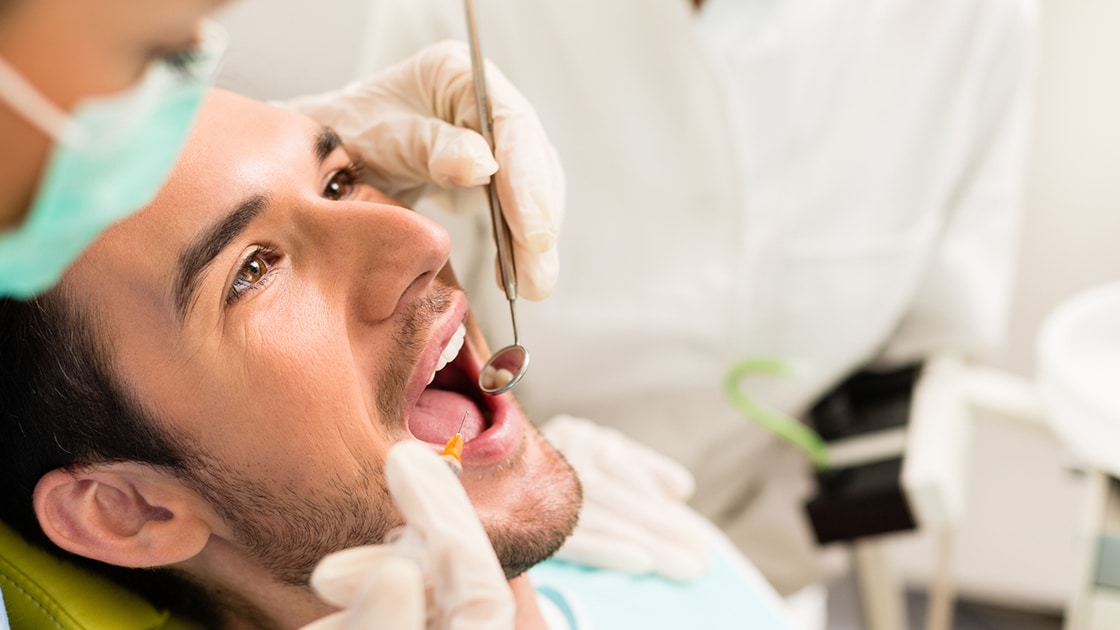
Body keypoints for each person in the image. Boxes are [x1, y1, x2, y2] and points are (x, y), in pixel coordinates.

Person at [272, 0, 1038, 603]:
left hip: (764, 542)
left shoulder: (974, 23)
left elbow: (926, 340)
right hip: (513, 526)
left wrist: (735, 572)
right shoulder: (466, 22)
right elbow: (390, 347)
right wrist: (523, 522)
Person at [0, 89, 793, 629]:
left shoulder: (661, 563)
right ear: (128, 509)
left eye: (339, 181)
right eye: (252, 270)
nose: (424, 240)